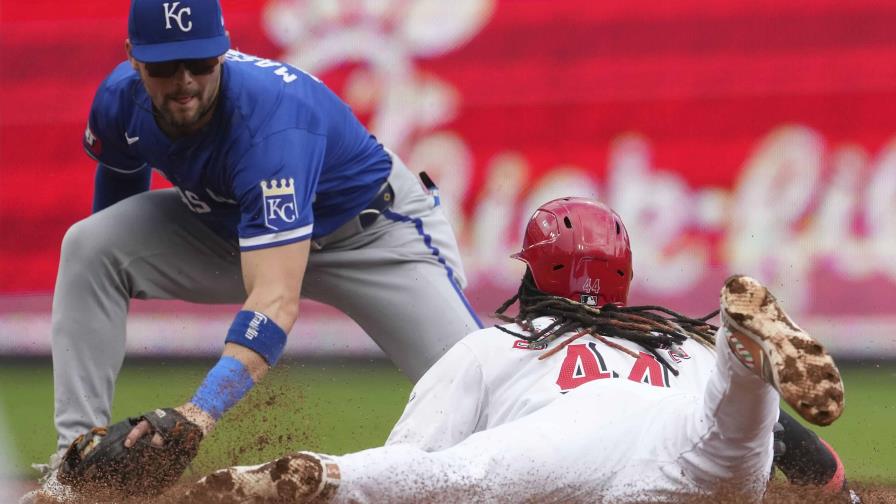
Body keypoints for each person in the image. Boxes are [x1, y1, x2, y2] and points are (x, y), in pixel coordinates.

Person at [25, 0, 481, 500]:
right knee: (91, 245)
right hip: (235, 228)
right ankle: (72, 476)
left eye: (200, 62)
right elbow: (116, 197)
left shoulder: (271, 126)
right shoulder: (118, 100)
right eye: (164, 66)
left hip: (370, 236)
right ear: (134, 57)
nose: (184, 82)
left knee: (477, 390)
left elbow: (275, 300)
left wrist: (197, 415)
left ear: (222, 53)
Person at [181, 197, 857, 503]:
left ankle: (330, 477)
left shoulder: (493, 345)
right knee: (729, 437)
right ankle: (746, 362)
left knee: (454, 480)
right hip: (680, 435)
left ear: (535, 275)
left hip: (573, 432)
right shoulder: (679, 339)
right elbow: (809, 463)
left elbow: (417, 453)